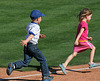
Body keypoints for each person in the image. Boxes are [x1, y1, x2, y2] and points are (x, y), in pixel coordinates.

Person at [6, 10, 54, 81]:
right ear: (37, 19)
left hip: (27, 46)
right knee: (43, 60)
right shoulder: (36, 26)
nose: (41, 18)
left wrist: (39, 35)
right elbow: (32, 35)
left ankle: (13, 66)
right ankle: (46, 76)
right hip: (32, 46)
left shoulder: (30, 24)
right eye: (41, 17)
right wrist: (26, 41)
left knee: (26, 62)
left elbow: (31, 33)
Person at [59, 8, 100, 75]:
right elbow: (80, 33)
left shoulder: (81, 23)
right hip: (82, 41)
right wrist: (77, 40)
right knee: (93, 48)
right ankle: (91, 62)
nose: (90, 18)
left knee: (74, 54)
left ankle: (64, 65)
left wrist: (87, 37)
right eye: (90, 17)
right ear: (86, 16)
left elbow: (82, 34)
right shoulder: (84, 24)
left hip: (80, 40)